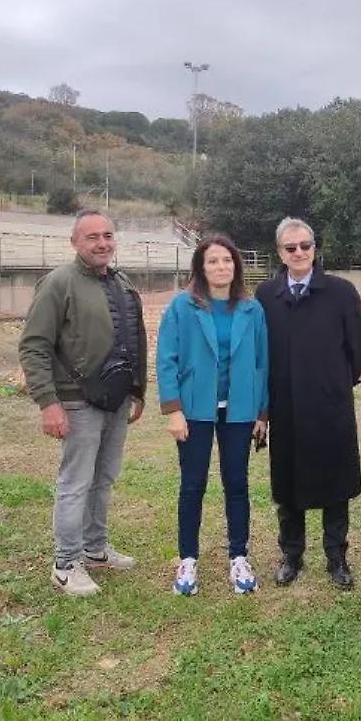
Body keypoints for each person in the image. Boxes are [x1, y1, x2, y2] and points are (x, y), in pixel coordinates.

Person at [18, 209, 147, 597]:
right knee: (76, 482)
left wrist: (138, 389)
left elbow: (134, 338)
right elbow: (34, 345)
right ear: (75, 241)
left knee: (103, 479)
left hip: (117, 400)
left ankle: (94, 550)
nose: (102, 243)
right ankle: (65, 563)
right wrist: (48, 402)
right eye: (92, 237)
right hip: (77, 401)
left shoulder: (122, 283)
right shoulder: (58, 283)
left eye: (108, 235)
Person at [255, 217, 361, 590]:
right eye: (291, 248)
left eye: (306, 245)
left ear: (315, 248)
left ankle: (337, 557)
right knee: (289, 486)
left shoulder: (341, 292)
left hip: (330, 405)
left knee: (335, 485)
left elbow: (358, 350)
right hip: (285, 408)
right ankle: (292, 555)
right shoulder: (266, 297)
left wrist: (334, 382)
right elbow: (261, 354)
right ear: (280, 253)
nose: (300, 252)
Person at [157, 234, 269, 596]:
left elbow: (261, 363)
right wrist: (173, 410)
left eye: (227, 260)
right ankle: (187, 559)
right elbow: (166, 359)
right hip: (194, 411)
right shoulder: (181, 307)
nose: (221, 267)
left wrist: (261, 413)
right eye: (213, 261)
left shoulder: (252, 310)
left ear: (236, 265)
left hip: (239, 410)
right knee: (192, 485)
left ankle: (239, 556)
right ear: (201, 268)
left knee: (237, 485)